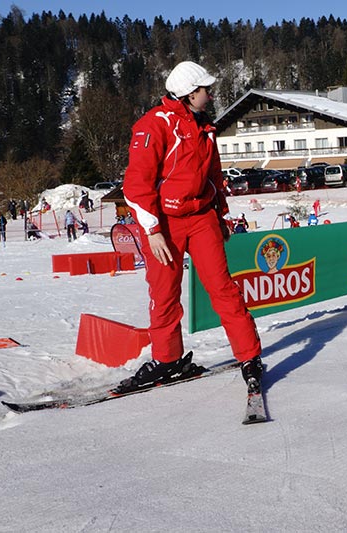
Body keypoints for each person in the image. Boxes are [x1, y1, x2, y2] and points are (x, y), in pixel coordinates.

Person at [121, 60, 263, 394]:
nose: (211, 96)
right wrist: (152, 230)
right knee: (164, 294)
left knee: (223, 289)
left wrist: (222, 215)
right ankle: (167, 359)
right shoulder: (153, 125)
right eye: (205, 90)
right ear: (188, 93)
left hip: (201, 219)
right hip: (165, 225)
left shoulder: (204, 128)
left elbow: (214, 177)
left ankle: (250, 356)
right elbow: (136, 184)